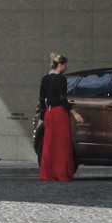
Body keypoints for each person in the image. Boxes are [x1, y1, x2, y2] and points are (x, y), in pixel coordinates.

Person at [39, 52, 76, 182]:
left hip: (49, 113)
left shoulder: (45, 79)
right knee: (61, 144)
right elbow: (62, 99)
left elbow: (41, 98)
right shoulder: (61, 79)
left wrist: (43, 114)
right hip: (60, 113)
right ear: (60, 65)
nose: (66, 67)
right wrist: (75, 113)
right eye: (65, 65)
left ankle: (47, 173)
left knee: (49, 144)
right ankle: (61, 172)